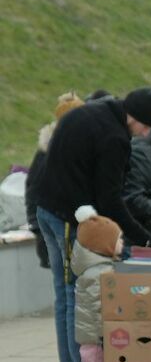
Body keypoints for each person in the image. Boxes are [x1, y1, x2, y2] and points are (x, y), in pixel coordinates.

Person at [29, 87, 151, 362]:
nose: (144, 134)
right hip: (67, 218)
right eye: (145, 127)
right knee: (75, 299)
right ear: (134, 118)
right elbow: (111, 202)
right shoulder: (115, 138)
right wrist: (146, 240)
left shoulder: (91, 111)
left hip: (47, 209)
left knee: (65, 297)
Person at [71, 210, 123, 362]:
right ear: (103, 245)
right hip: (94, 334)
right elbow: (98, 306)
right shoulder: (98, 273)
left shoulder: (100, 269)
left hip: (95, 332)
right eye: (119, 240)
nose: (122, 244)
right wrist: (106, 330)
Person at [26, 93, 85, 270]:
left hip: (69, 227)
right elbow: (34, 191)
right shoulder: (49, 152)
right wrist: (38, 229)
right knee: (65, 283)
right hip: (59, 227)